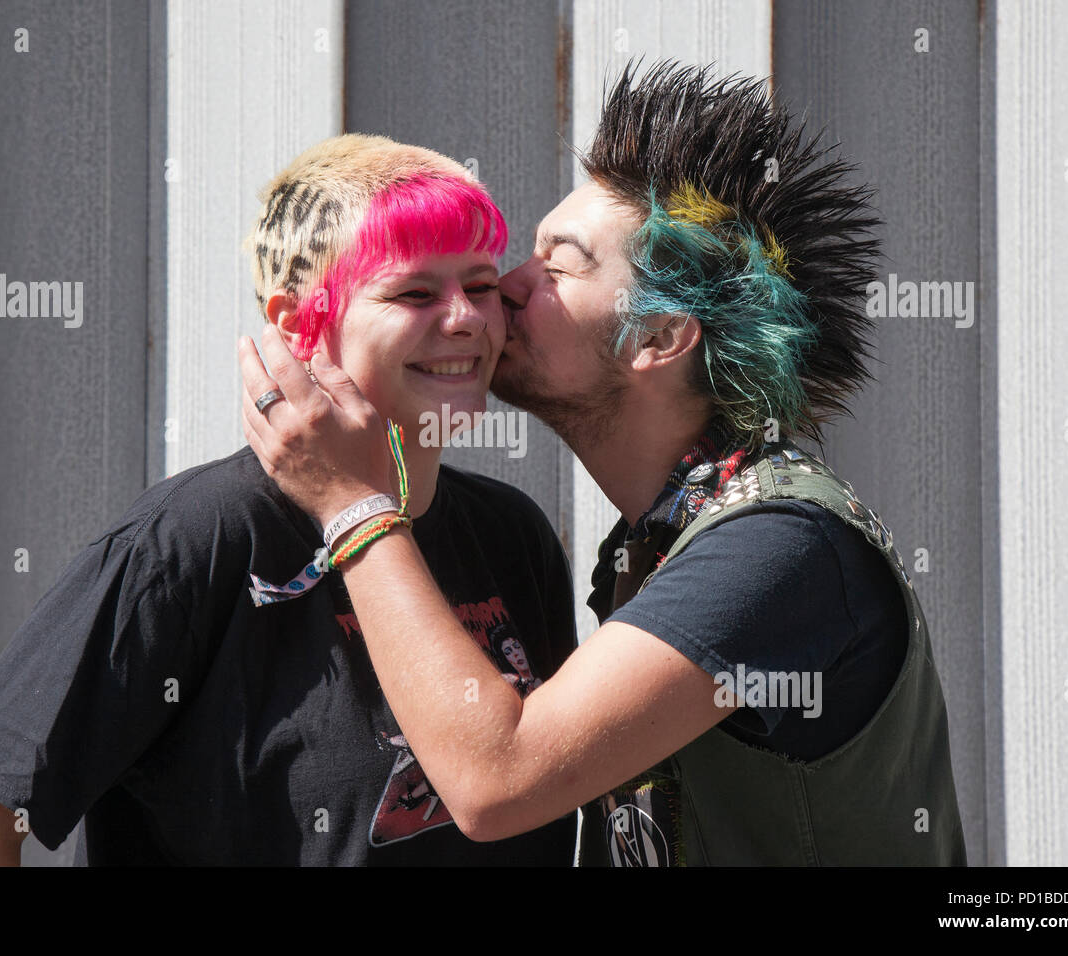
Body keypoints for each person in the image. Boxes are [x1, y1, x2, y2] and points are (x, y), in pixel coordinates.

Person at [237, 61, 967, 866]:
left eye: (560, 264)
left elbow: (496, 778)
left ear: (658, 337)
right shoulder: (665, 537)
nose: (504, 286)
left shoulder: (780, 550)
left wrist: (351, 501)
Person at [0, 134, 579, 865]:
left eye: (480, 285)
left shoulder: (513, 535)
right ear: (297, 324)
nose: (467, 318)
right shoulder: (197, 536)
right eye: (415, 292)